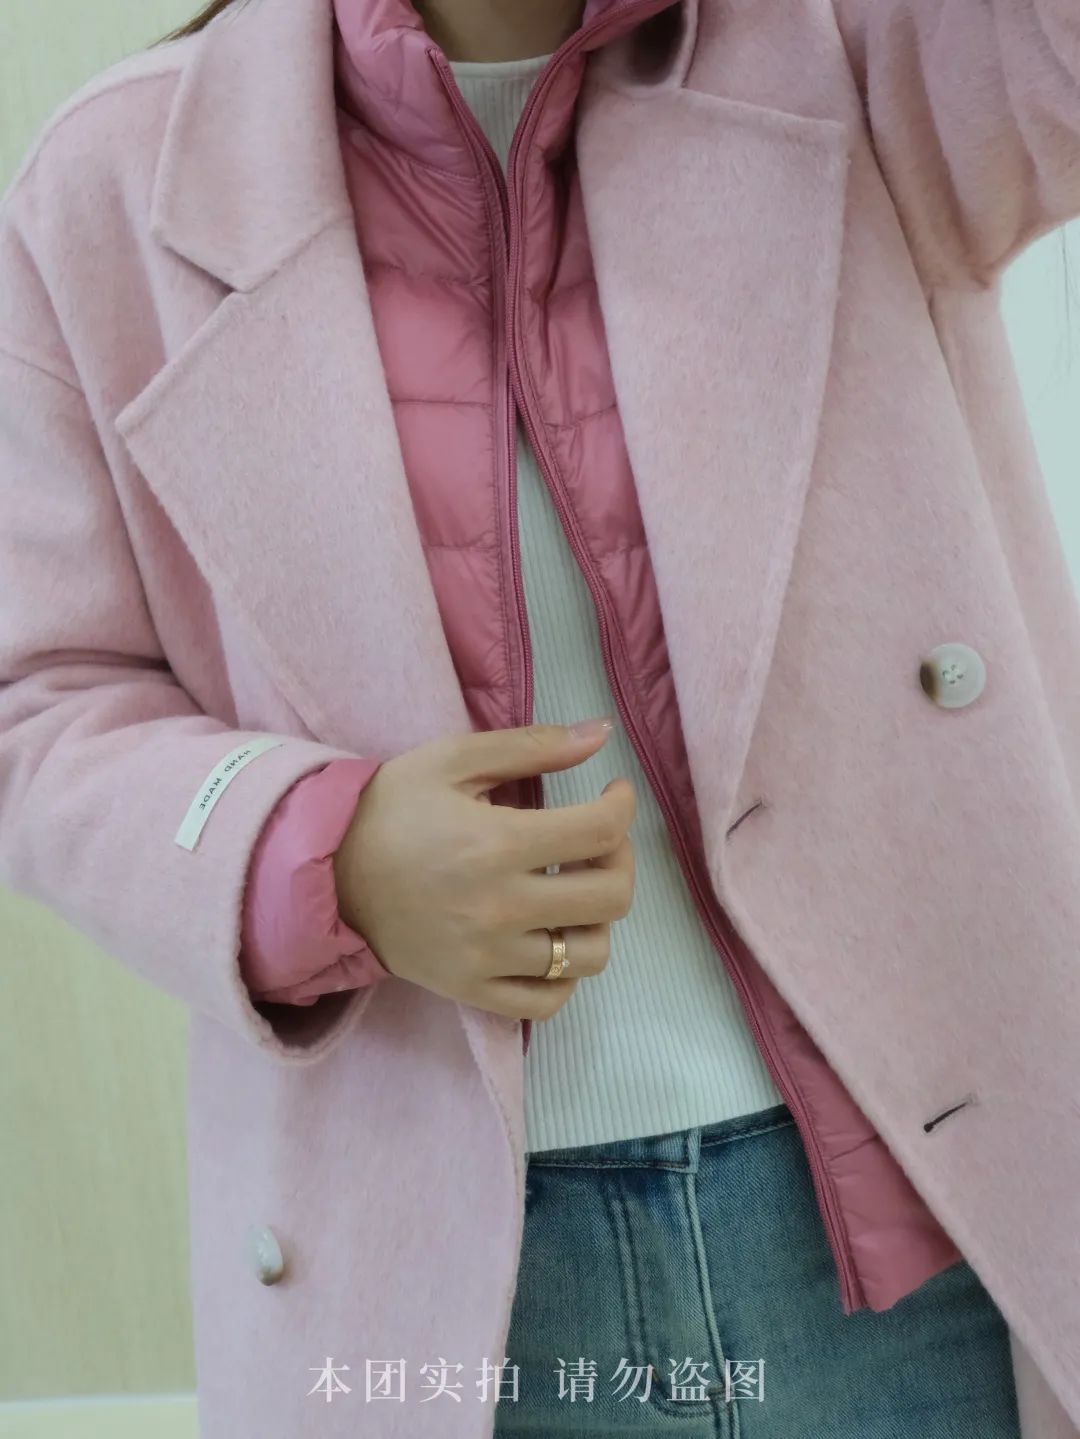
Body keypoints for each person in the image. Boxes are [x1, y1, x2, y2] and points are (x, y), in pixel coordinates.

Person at [1, 0, 1079, 1434]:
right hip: (443, 1277)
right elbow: (39, 701)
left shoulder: (869, 49)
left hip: (925, 1217)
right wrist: (314, 854)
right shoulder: (116, 184)